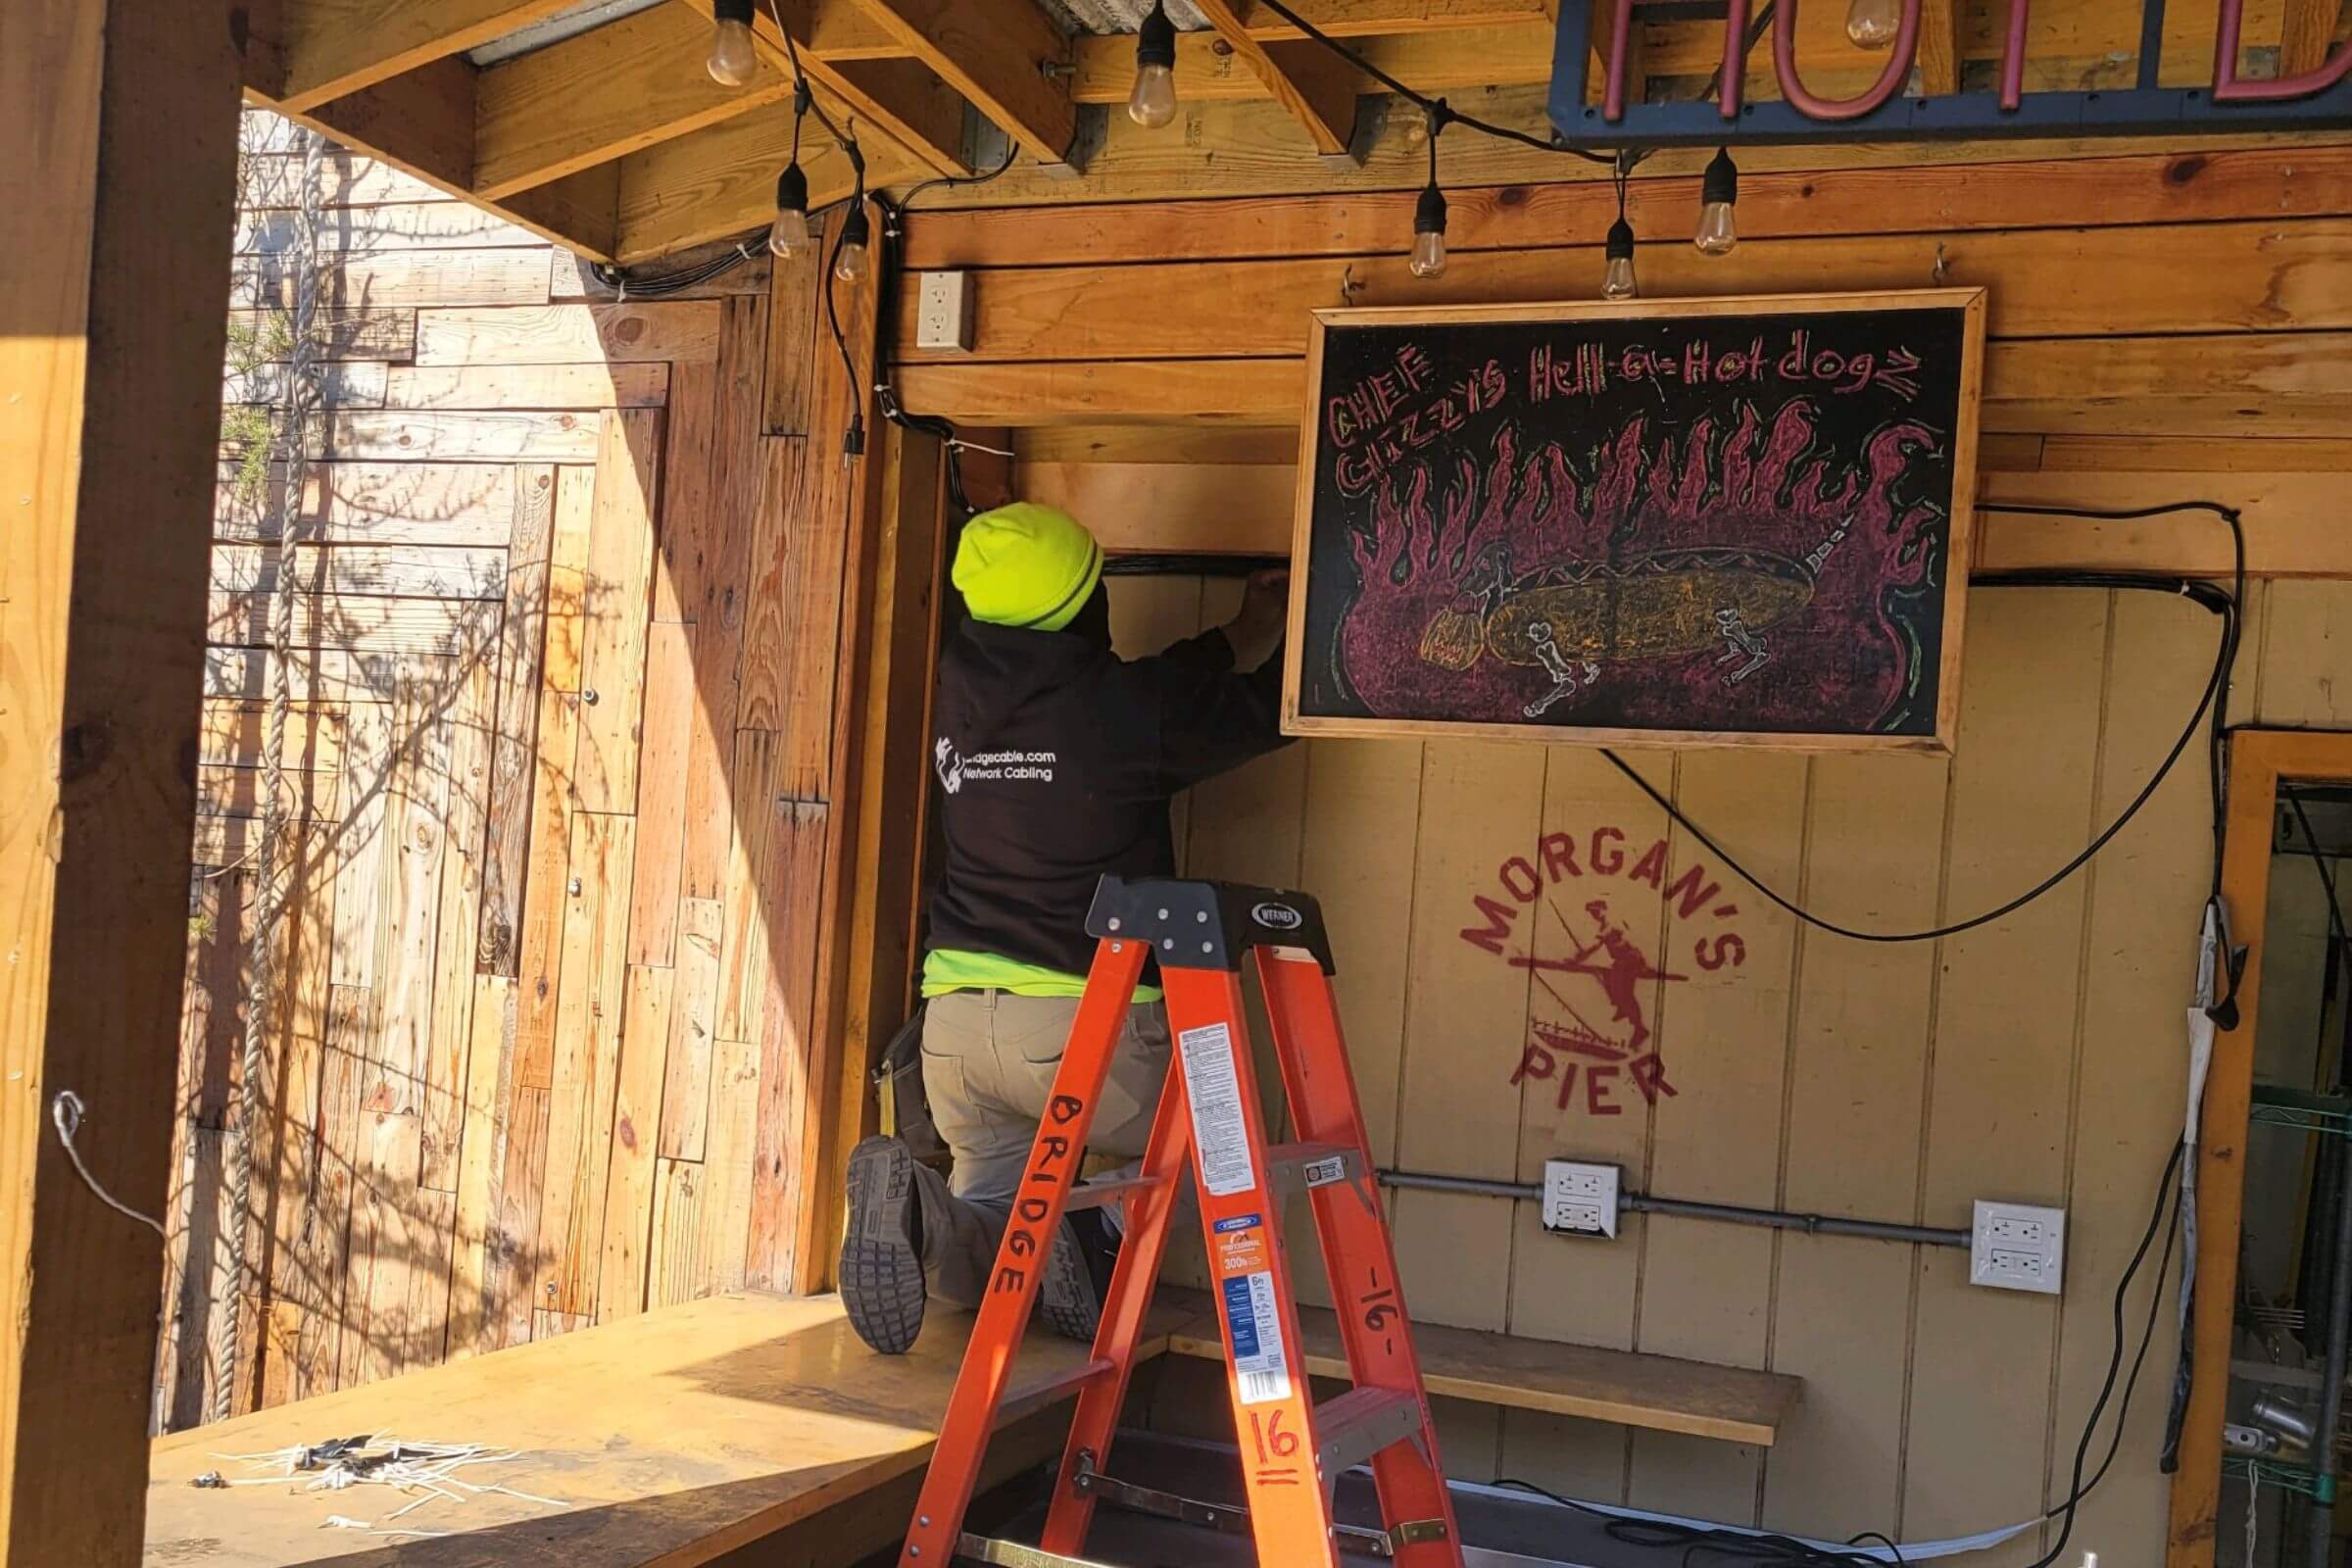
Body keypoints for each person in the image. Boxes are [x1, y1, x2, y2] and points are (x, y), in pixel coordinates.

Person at [841, 502, 1292, 1355]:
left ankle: (923, 1219)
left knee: (994, 1217)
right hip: (1086, 1031)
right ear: (1089, 604)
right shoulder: (1123, 713)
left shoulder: (958, 704)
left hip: (956, 1032)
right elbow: (1254, 710)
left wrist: (1239, 629)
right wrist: (1327, 628)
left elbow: (1152, 697)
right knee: (1211, 1137)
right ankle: (1095, 1240)